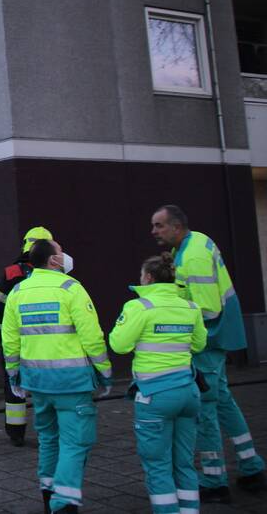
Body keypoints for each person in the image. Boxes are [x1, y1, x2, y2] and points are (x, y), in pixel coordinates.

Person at [151, 204, 266, 501]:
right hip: (216, 340)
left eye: (159, 225)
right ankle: (251, 465)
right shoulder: (194, 244)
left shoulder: (193, 256)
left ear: (176, 226)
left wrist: (175, 329)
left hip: (207, 342)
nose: (154, 231)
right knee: (224, 402)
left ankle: (214, 482)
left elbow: (208, 309)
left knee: (205, 410)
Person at [2, 239, 112, 514]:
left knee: (49, 439)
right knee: (75, 443)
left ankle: (48, 495)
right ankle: (63, 503)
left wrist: (14, 374)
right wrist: (105, 371)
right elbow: (92, 336)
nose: (65, 256)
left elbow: (10, 339)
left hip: (37, 382)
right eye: (61, 252)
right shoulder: (71, 288)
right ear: (53, 261)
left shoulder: (18, 291)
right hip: (72, 383)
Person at [110, 252, 207, 514]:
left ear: (149, 277)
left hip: (155, 396)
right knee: (185, 464)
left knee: (157, 465)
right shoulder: (190, 307)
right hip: (189, 393)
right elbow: (199, 344)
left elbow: (119, 345)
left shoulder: (139, 307)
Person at [0, 226, 53, 447]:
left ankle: (16, 432)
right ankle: (52, 429)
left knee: (13, 383)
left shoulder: (11, 273)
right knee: (47, 383)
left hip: (15, 339)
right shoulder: (55, 274)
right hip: (46, 341)